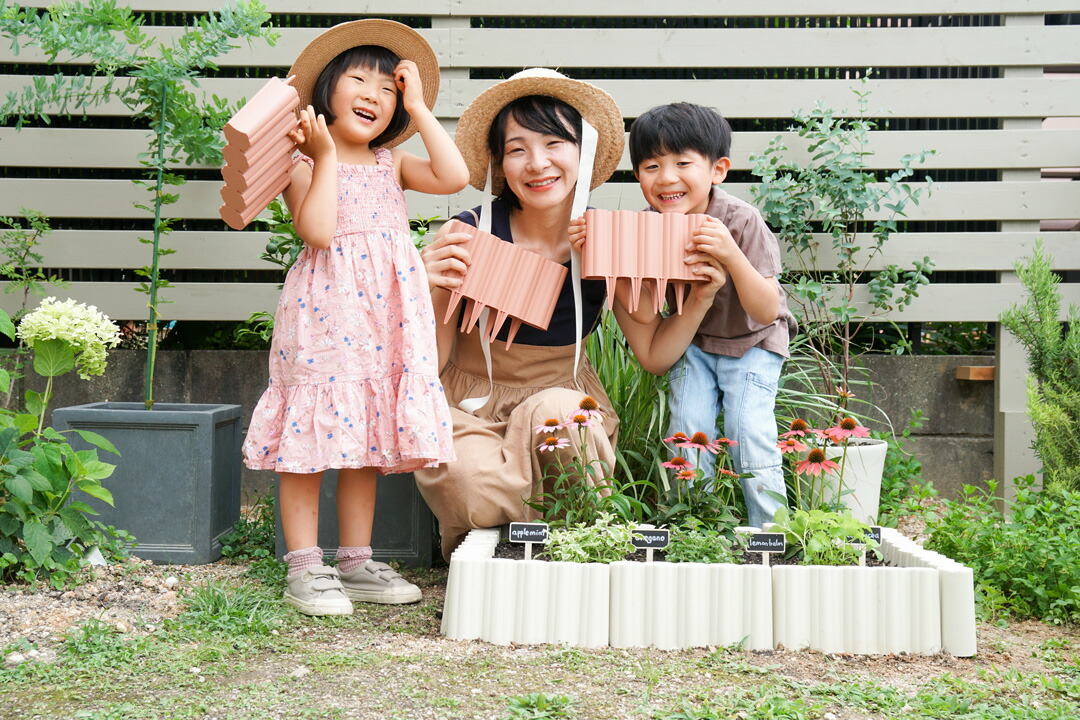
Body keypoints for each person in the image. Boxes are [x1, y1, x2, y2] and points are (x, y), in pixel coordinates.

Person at [416, 71, 725, 561]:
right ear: (499, 163)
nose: (537, 163)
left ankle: (523, 540)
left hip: (561, 404)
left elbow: (653, 355)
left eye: (555, 143)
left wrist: (703, 299)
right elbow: (429, 366)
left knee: (561, 414)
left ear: (584, 152)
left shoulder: (605, 239)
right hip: (470, 403)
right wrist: (427, 288)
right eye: (517, 149)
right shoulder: (468, 233)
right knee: (465, 478)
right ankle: (557, 535)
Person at [242, 20, 469, 615]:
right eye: (357, 79)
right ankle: (304, 567)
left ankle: (354, 559)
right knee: (310, 437)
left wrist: (420, 109)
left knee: (363, 440)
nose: (374, 93)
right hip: (323, 317)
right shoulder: (302, 161)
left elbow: (455, 176)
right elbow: (317, 230)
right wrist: (320, 157)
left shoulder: (391, 162)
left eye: (388, 87)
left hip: (383, 322)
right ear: (325, 91)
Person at [604, 102, 798, 529]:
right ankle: (697, 525)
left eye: (683, 162)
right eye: (651, 165)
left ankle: (772, 530)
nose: (667, 177)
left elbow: (767, 309)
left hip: (752, 341)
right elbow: (641, 311)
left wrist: (730, 253)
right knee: (688, 429)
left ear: (718, 169)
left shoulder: (740, 220)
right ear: (638, 176)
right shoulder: (646, 229)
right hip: (693, 344)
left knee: (749, 430)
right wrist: (601, 257)